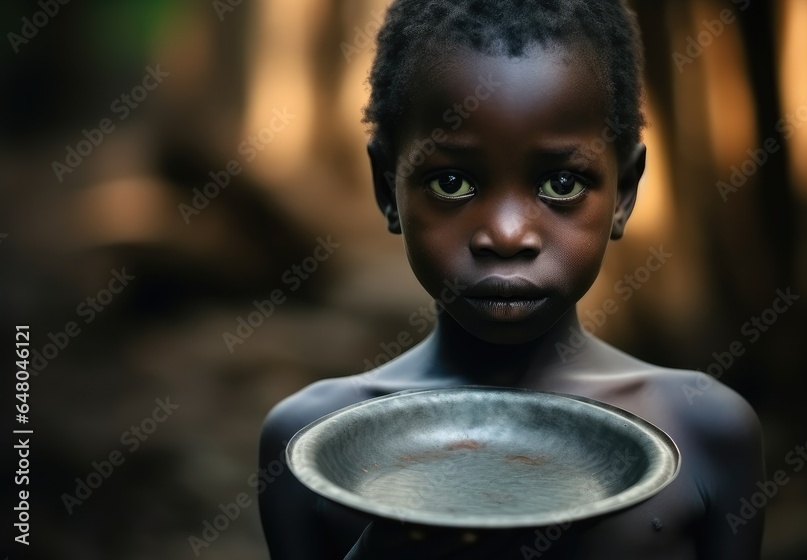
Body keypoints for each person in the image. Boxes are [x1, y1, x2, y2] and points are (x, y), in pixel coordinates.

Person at [259, 0, 764, 558]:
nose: (505, 235)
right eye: (451, 182)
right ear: (388, 188)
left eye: (561, 184)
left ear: (624, 193)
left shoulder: (703, 429)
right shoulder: (314, 444)